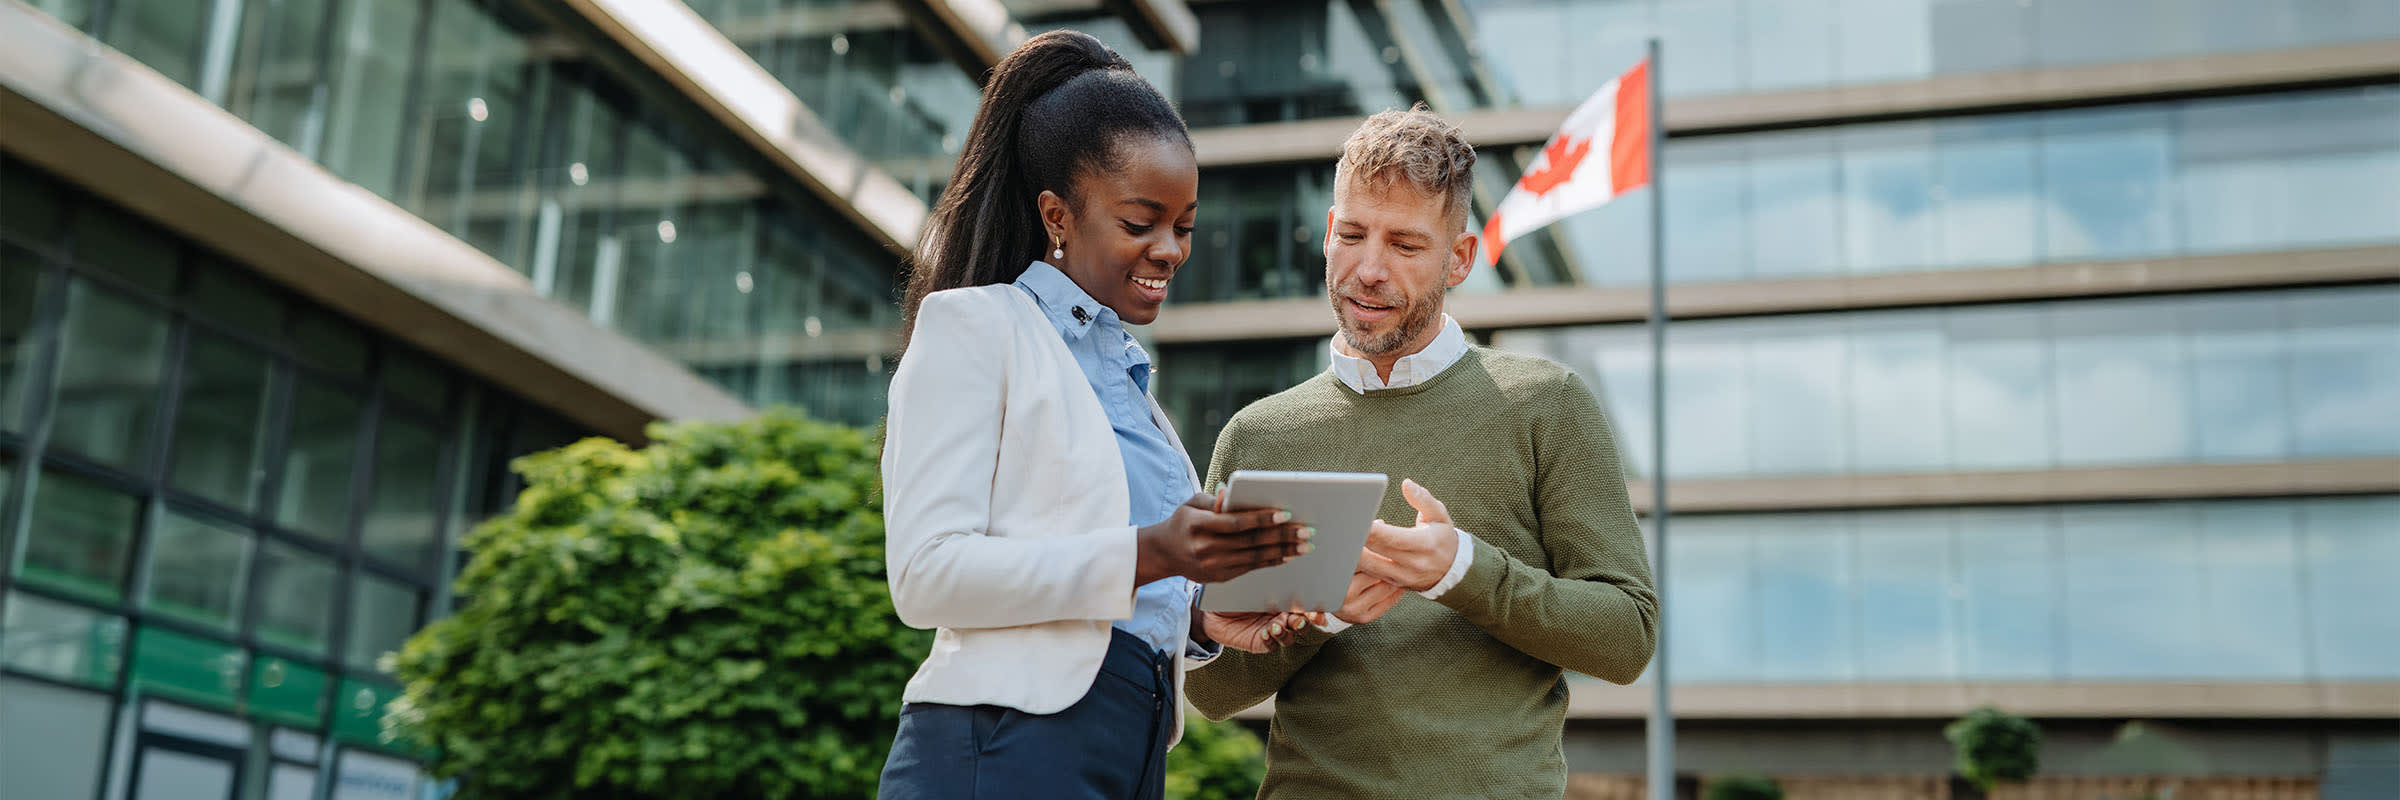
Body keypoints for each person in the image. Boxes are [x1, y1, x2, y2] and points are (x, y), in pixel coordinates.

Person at [877, 30, 1316, 800]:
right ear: (1058, 215)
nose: (1170, 249)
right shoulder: (977, 328)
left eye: (1183, 225)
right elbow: (925, 575)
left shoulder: (1136, 395)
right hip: (1005, 747)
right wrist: (1153, 552)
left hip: (1128, 750)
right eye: (1140, 222)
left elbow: (1116, 598)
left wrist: (1204, 619)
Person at [1182, 106, 1660, 798]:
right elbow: (1215, 692)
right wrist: (1322, 612)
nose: (1369, 269)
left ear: (1459, 259)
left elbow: (1626, 638)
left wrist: (1461, 570)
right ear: (1326, 236)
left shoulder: (1546, 405)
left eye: (1406, 246)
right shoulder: (1257, 437)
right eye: (1351, 235)